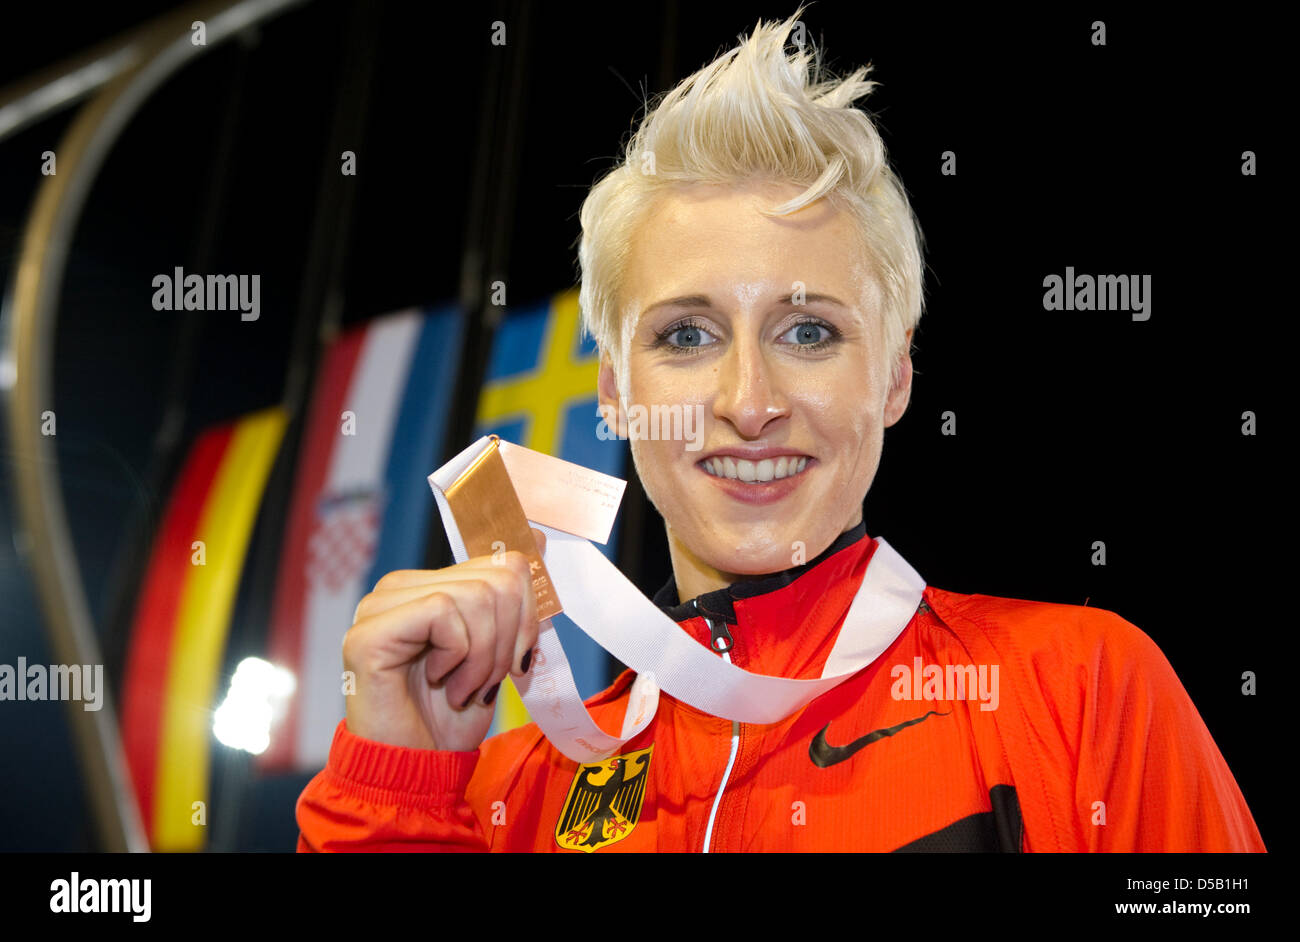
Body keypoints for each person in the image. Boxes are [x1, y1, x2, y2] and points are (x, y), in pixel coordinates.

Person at [295, 7, 1265, 853]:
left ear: (893, 376)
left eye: (809, 332)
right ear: (618, 391)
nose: (748, 401)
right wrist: (398, 794)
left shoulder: (1079, 689)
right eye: (686, 334)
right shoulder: (510, 788)